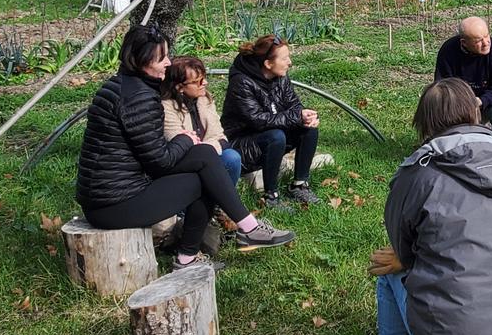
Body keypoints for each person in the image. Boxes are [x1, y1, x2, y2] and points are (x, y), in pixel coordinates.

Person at [75, 25, 295, 271]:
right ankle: (210, 246)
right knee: (205, 177)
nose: (168, 63)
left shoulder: (119, 85)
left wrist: (192, 145)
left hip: (105, 196)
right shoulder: (138, 98)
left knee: (205, 157)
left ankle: (239, 231)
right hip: (113, 206)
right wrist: (186, 139)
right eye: (161, 59)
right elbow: (159, 162)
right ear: (142, 61)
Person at [372, 78, 492, 335]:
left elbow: (402, 248)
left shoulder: (416, 174)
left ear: (424, 123)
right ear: (475, 113)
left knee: (391, 271)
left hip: (454, 330)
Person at [221, 35, 321, 208]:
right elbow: (258, 120)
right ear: (268, 64)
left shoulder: (280, 77)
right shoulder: (241, 83)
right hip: (240, 144)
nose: (290, 62)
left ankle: (299, 185)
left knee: (308, 129)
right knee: (276, 136)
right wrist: (296, 117)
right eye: (285, 58)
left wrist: (305, 117)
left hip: (268, 135)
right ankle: (271, 196)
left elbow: (293, 105)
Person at [161, 56, 241, 187]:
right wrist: (212, 146)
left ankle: (219, 201)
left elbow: (221, 138)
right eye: (198, 81)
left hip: (209, 155)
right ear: (179, 87)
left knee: (232, 158)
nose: (205, 83)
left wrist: (208, 147)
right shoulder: (166, 107)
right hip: (184, 162)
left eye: (204, 77)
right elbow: (179, 144)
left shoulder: (204, 99)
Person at [434, 16, 492, 147]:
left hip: (486, 100)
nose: (486, 42)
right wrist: (461, 104)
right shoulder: (448, 51)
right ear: (464, 42)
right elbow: (443, 85)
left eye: (487, 36)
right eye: (478, 40)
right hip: (457, 103)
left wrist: (480, 101)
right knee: (437, 106)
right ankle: (446, 149)